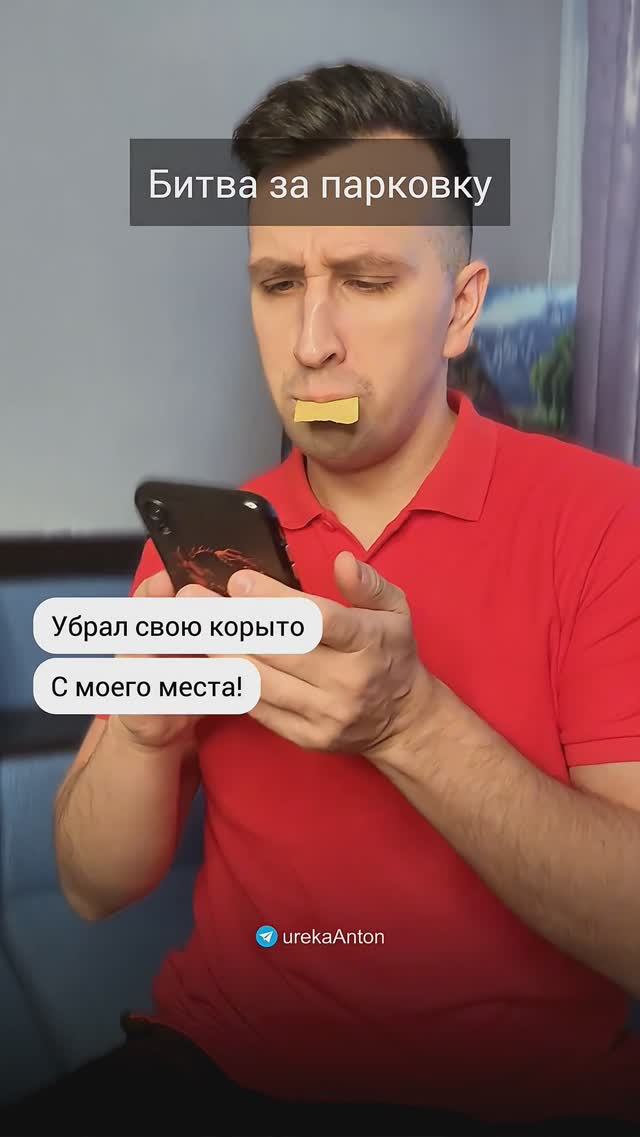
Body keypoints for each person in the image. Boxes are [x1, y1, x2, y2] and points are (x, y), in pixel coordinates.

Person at [5, 61, 640, 1137]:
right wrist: (143, 734)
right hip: (211, 1066)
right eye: (277, 283)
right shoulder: (204, 545)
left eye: (368, 280)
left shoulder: (607, 521)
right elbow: (91, 888)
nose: (310, 346)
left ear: (460, 309)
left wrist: (409, 725)